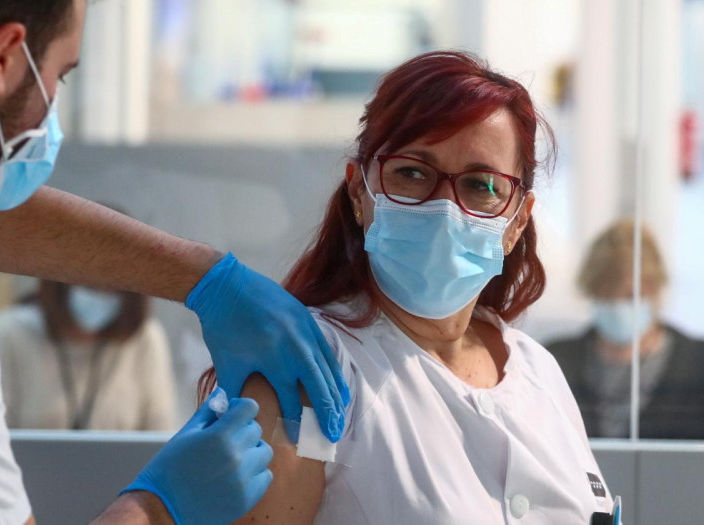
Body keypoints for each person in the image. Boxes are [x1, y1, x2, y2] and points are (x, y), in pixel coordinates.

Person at [0, 2, 351, 524]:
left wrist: (209, 280)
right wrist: (157, 507)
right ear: (1, 57)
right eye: (61, 74)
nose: (51, 111)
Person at [199, 51, 617, 524]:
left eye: (481, 185)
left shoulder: (540, 373)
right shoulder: (308, 373)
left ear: (518, 219)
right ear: (360, 191)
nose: (444, 209)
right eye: (413, 172)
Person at [545, 220, 704, 441]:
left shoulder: (703, 363)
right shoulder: (555, 361)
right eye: (606, 295)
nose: (617, 306)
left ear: (654, 290)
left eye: (630, 296)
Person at [0, 279, 177, 431]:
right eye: (90, 284)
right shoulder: (11, 333)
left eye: (114, 288)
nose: (101, 295)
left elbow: (160, 432)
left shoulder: (145, 339)